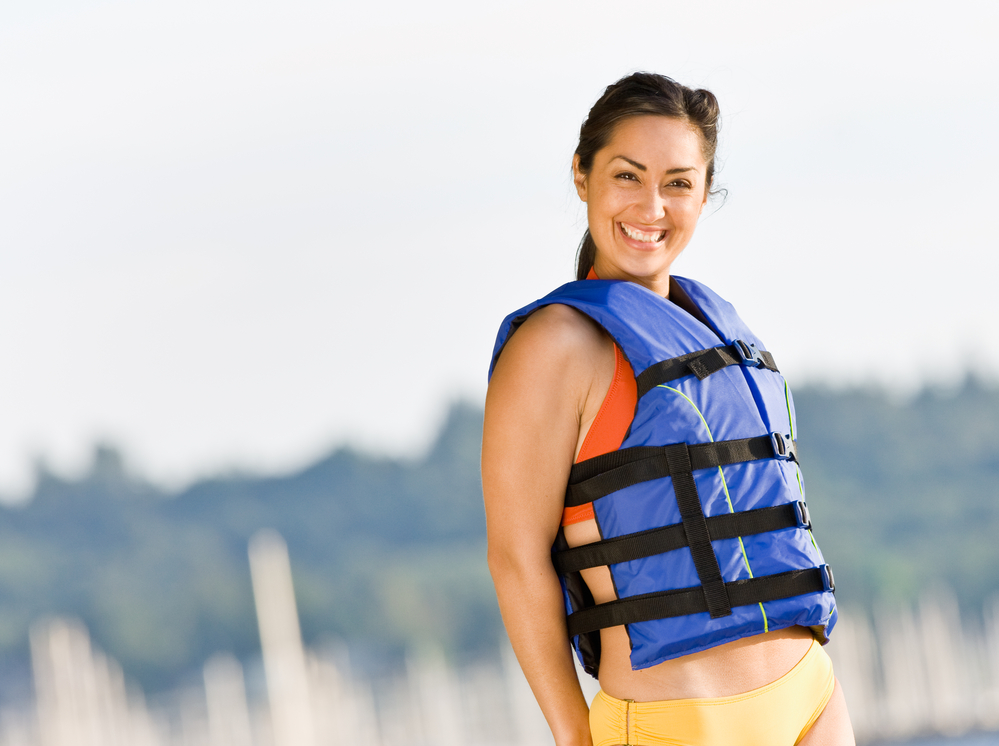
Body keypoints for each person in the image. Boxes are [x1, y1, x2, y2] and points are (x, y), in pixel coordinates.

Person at [481, 73, 855, 746]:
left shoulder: (715, 324)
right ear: (581, 175)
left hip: (809, 700)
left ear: (704, 194)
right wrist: (573, 733)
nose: (651, 205)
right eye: (627, 176)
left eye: (678, 183)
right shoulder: (554, 346)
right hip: (672, 722)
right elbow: (514, 558)